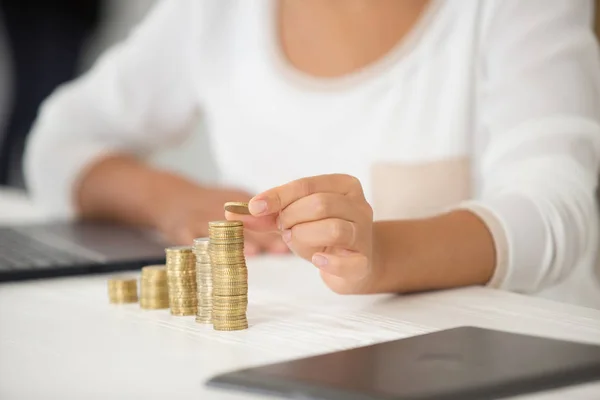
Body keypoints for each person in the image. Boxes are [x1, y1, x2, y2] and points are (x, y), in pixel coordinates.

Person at [23, 0, 600, 308]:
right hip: (293, 353)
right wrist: (171, 199)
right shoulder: (212, 12)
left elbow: (558, 208)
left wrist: (383, 253)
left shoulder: (520, 9)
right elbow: (56, 142)